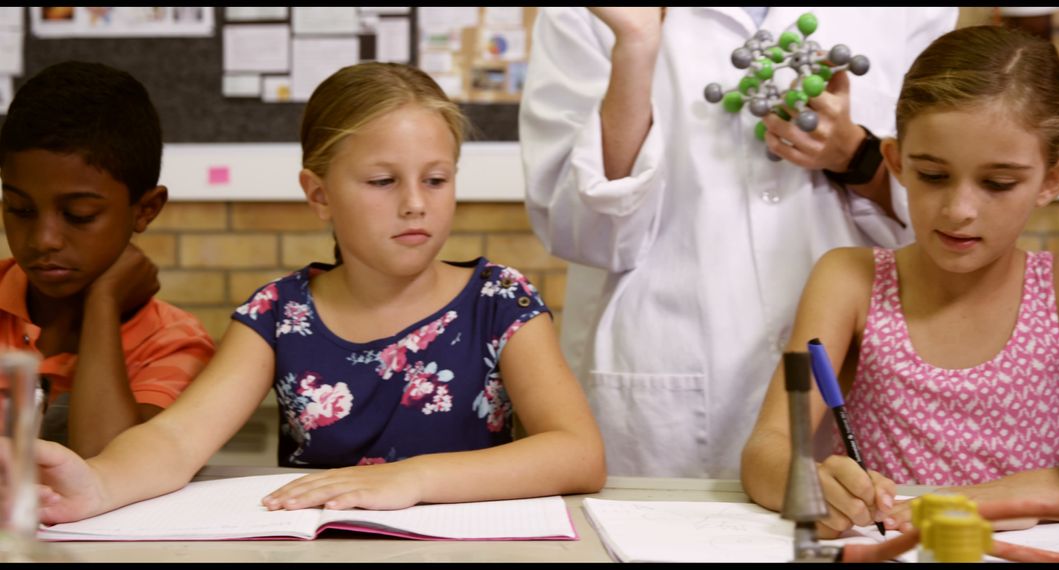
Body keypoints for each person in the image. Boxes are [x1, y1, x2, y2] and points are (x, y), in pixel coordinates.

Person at [34, 62, 605, 524]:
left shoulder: (500, 299)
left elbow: (578, 453)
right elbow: (177, 439)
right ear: (318, 192)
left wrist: (412, 479)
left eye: (436, 179)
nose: (415, 202)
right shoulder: (278, 314)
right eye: (383, 181)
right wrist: (100, 483)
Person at [519, 7, 957, 478]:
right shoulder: (582, 14)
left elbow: (946, 211)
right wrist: (636, 47)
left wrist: (855, 156)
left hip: (850, 365)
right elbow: (579, 232)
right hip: (664, 373)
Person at [740, 25, 1059, 538]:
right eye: (933, 176)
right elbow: (767, 448)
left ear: (1051, 181)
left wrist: (1008, 496)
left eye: (998, 183)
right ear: (896, 163)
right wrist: (807, 483)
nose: (960, 210)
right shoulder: (848, 280)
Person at [0, 61, 215, 459]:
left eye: (79, 215)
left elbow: (108, 466)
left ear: (146, 210)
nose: (44, 240)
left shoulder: (173, 343)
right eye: (19, 209)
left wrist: (104, 303)